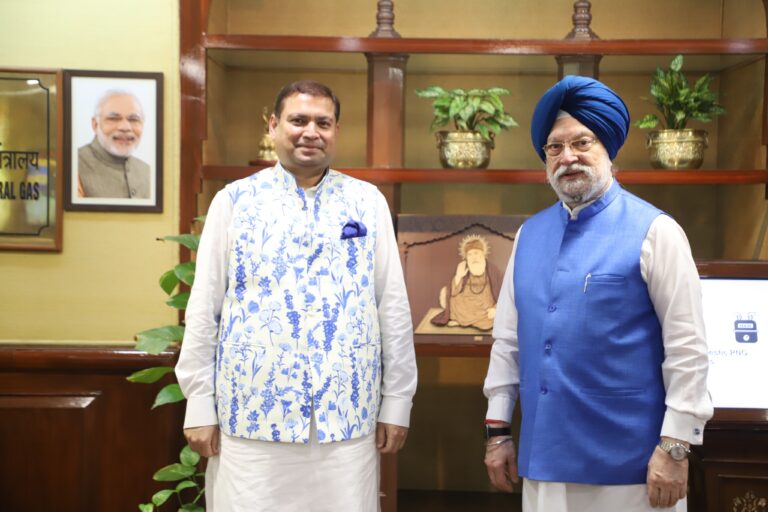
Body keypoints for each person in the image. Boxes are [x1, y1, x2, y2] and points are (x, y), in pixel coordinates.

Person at [175, 80, 417, 512]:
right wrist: (198, 402)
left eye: (323, 122)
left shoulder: (367, 203)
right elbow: (204, 308)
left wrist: (397, 400)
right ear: (274, 125)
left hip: (345, 422)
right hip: (251, 421)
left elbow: (392, 308)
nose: (311, 132)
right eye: (298, 120)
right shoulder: (234, 202)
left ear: (336, 130)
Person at [483, 76, 713, 512]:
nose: (568, 157)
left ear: (608, 149)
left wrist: (677, 445)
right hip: (545, 459)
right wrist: (497, 431)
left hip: (635, 465)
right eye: (554, 147)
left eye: (582, 142)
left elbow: (688, 348)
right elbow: (508, 341)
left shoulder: (656, 231)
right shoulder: (528, 235)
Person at [77, 89, 150, 198]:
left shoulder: (148, 172)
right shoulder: (73, 165)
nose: (125, 127)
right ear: (95, 125)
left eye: (134, 119)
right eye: (114, 118)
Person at [431, 234, 502, 330]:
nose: (474, 257)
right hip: (465, 304)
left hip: (485, 305)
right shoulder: (463, 268)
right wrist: (459, 276)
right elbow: (453, 292)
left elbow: (503, 292)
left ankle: (465, 321)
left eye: (476, 253)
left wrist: (496, 309)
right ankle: (462, 320)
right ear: (466, 258)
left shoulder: (493, 270)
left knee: (488, 318)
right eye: (470, 254)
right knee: (449, 297)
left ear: (483, 254)